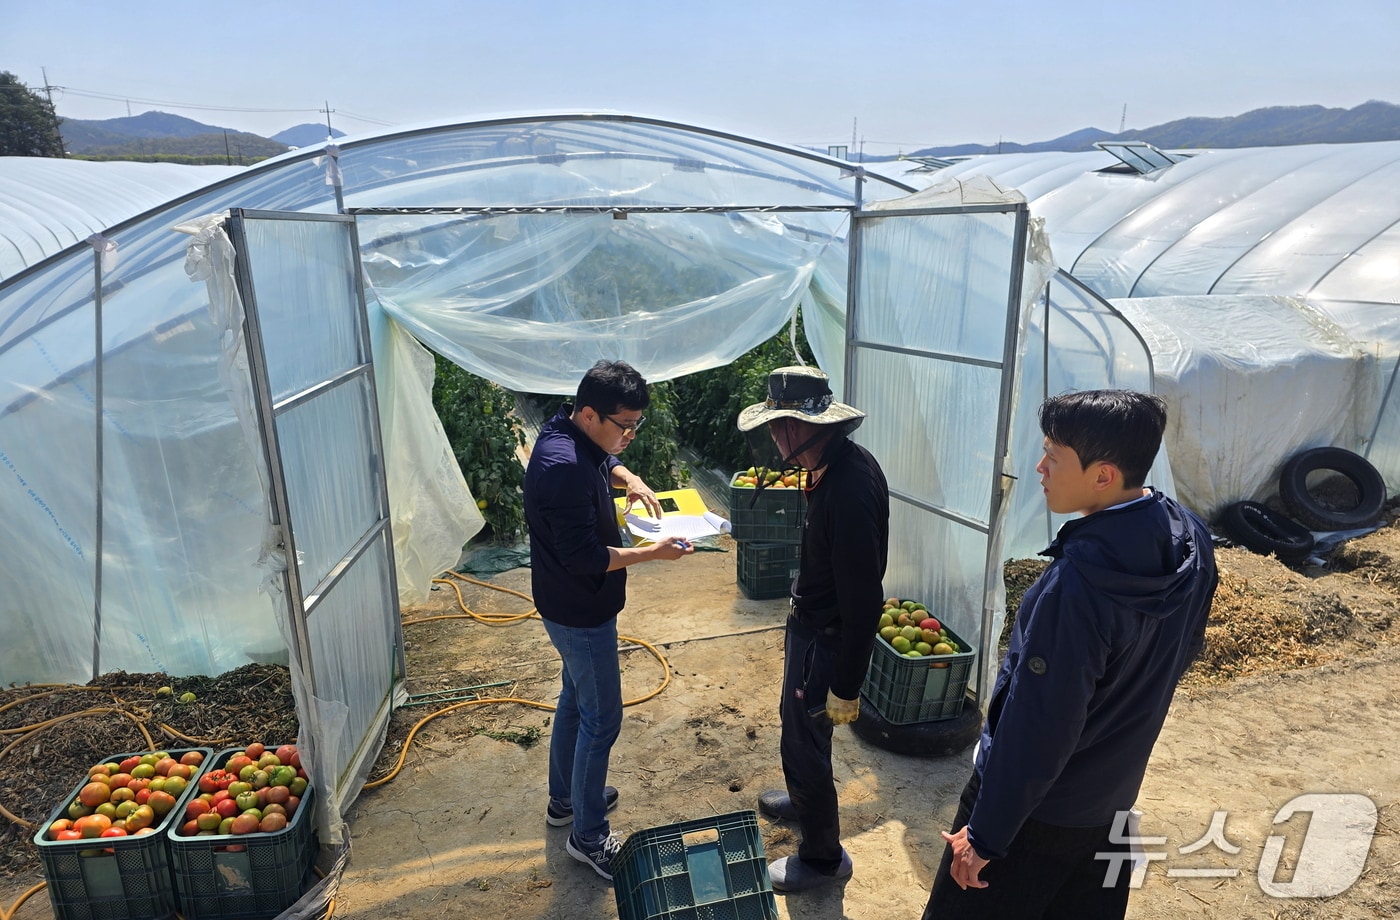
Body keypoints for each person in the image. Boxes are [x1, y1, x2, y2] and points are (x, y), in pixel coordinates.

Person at [922, 389, 1219, 920]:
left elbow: (1040, 725)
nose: (1039, 468)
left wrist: (987, 836)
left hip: (1036, 814)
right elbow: (1184, 650)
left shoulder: (1077, 586)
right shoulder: (1189, 537)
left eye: (1053, 456)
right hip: (1113, 799)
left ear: (1103, 475)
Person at [523, 359, 693, 882]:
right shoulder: (563, 468)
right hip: (581, 608)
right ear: (591, 414)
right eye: (625, 426)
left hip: (568, 603)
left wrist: (629, 475)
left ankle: (566, 800)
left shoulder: (566, 430)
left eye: (636, 425)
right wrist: (654, 553)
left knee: (576, 700)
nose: (630, 435)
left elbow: (600, 460)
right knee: (603, 719)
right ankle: (589, 836)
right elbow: (586, 557)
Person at [736, 365, 890, 892]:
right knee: (798, 733)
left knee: (805, 744)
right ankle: (805, 803)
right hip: (811, 629)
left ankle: (823, 858)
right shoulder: (830, 465)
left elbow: (866, 600)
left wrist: (846, 684)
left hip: (823, 641)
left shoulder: (848, 488)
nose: (773, 435)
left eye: (778, 425)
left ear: (798, 428)